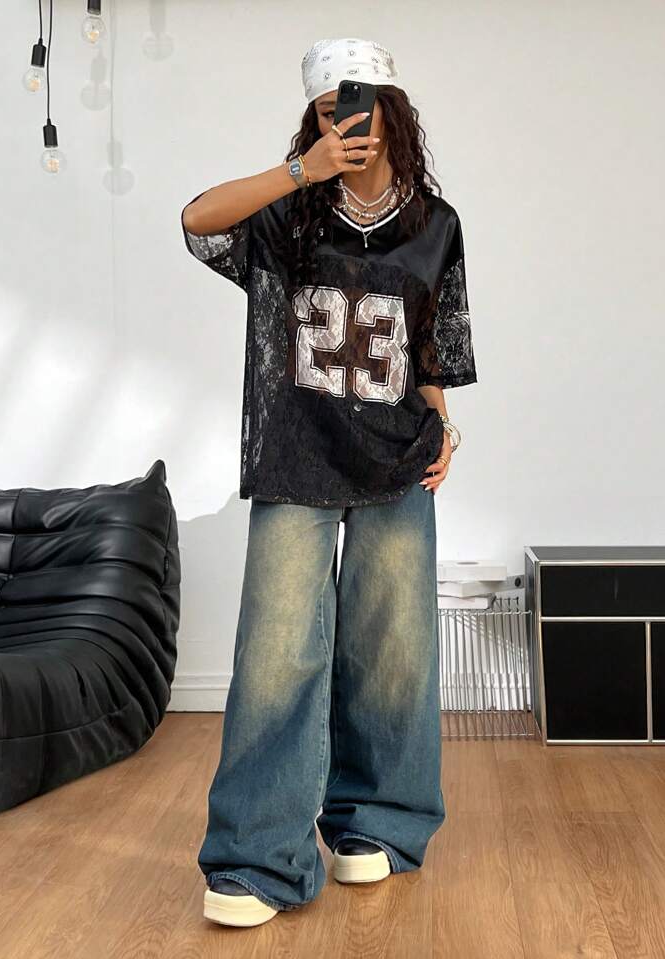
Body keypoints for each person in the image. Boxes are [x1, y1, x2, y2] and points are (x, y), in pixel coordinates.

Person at [181, 36, 478, 928]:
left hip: (397, 458)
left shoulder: (436, 224)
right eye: (330, 107)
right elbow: (196, 220)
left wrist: (445, 425)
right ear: (314, 119)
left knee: (392, 649)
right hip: (297, 457)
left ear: (395, 111)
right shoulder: (286, 216)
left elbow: (432, 348)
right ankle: (255, 857)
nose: (351, 120)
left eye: (365, 101)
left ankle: (375, 823)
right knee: (278, 653)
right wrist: (298, 170)